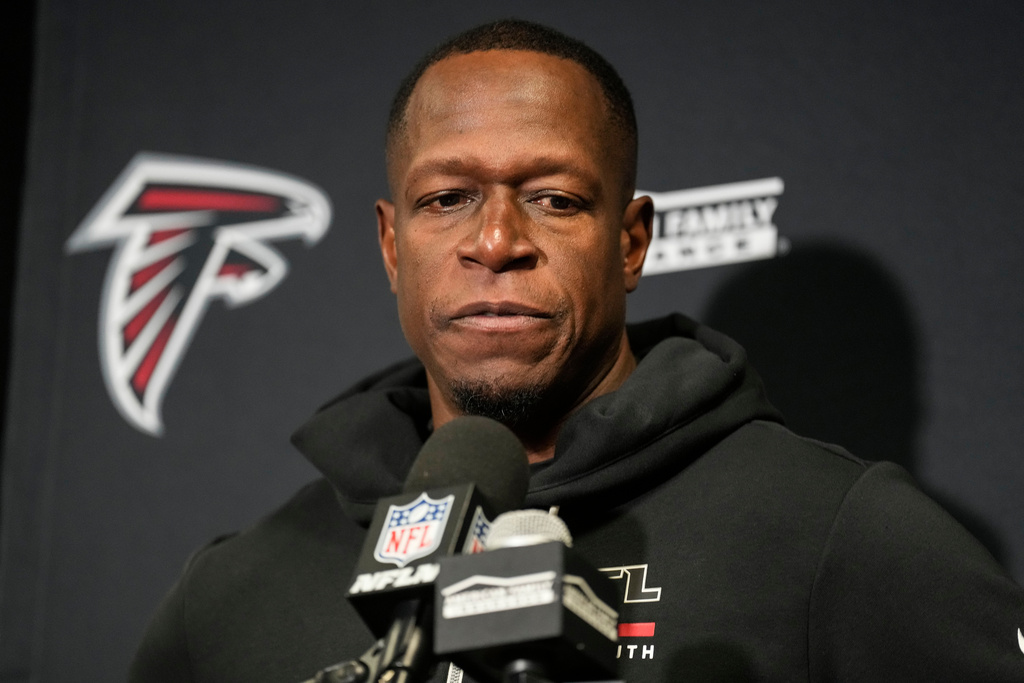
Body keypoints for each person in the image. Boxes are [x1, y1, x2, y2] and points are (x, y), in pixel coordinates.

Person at [129, 19, 1024, 683]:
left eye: (554, 197)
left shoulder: (838, 535)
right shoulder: (233, 592)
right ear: (392, 245)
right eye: (447, 199)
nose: (496, 240)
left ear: (631, 242)